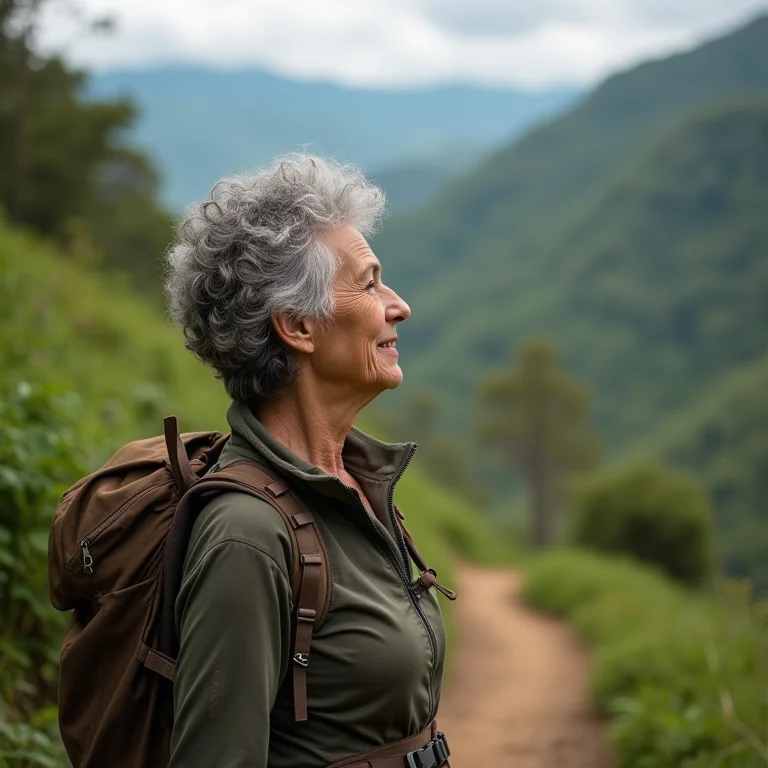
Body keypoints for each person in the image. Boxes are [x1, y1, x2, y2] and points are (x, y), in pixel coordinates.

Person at [164, 154, 451, 767]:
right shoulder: (248, 536)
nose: (399, 306)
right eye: (370, 283)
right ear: (297, 325)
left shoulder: (349, 485)